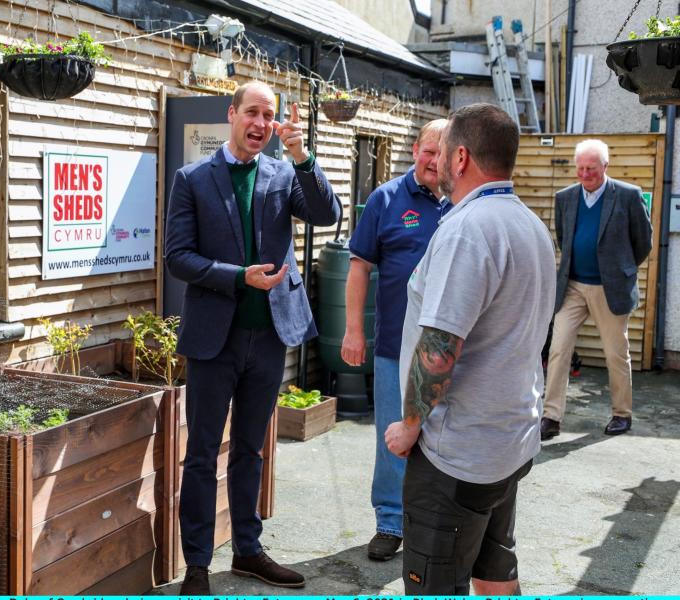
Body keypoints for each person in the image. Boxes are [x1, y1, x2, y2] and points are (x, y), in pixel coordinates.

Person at [165, 81, 341, 595]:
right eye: (252, 113)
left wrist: (302, 154)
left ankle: (247, 550)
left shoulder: (285, 172)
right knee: (200, 453)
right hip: (213, 340)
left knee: (250, 450)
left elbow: (327, 214)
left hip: (268, 338)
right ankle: (197, 563)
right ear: (232, 114)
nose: (261, 123)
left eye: (269, 115)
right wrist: (238, 276)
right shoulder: (193, 178)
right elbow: (178, 257)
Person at [383, 103, 555, 595]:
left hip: (456, 455)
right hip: (507, 441)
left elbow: (439, 348)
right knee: (495, 569)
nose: (435, 164)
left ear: (461, 158)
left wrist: (409, 427)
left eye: (443, 154)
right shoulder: (531, 226)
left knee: (434, 585)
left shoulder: (467, 230)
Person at [340, 118, 449, 561]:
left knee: (443, 437)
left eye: (443, 153)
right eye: (428, 150)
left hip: (450, 349)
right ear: (413, 150)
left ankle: (435, 523)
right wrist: (352, 330)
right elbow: (359, 267)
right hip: (394, 347)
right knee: (393, 434)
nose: (433, 160)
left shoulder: (463, 203)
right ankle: (389, 521)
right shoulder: (385, 199)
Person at [540, 139, 653, 440]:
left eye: (591, 168)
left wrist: (621, 270)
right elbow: (564, 239)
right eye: (580, 169)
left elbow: (643, 241)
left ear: (605, 166)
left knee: (616, 353)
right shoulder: (565, 197)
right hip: (573, 286)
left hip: (610, 288)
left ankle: (621, 414)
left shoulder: (628, 195)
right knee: (559, 348)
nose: (585, 174)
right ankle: (551, 416)